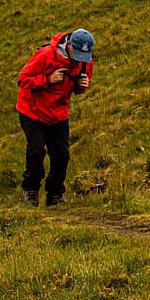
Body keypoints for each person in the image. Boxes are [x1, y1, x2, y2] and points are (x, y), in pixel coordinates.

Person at [15, 29, 94, 207]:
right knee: (36, 151)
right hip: (32, 110)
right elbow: (23, 79)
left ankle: (55, 195)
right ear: (69, 46)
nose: (81, 59)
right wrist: (48, 79)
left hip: (58, 113)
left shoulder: (85, 62)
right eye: (78, 54)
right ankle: (31, 190)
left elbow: (78, 88)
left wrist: (83, 86)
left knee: (62, 155)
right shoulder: (45, 55)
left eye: (85, 55)